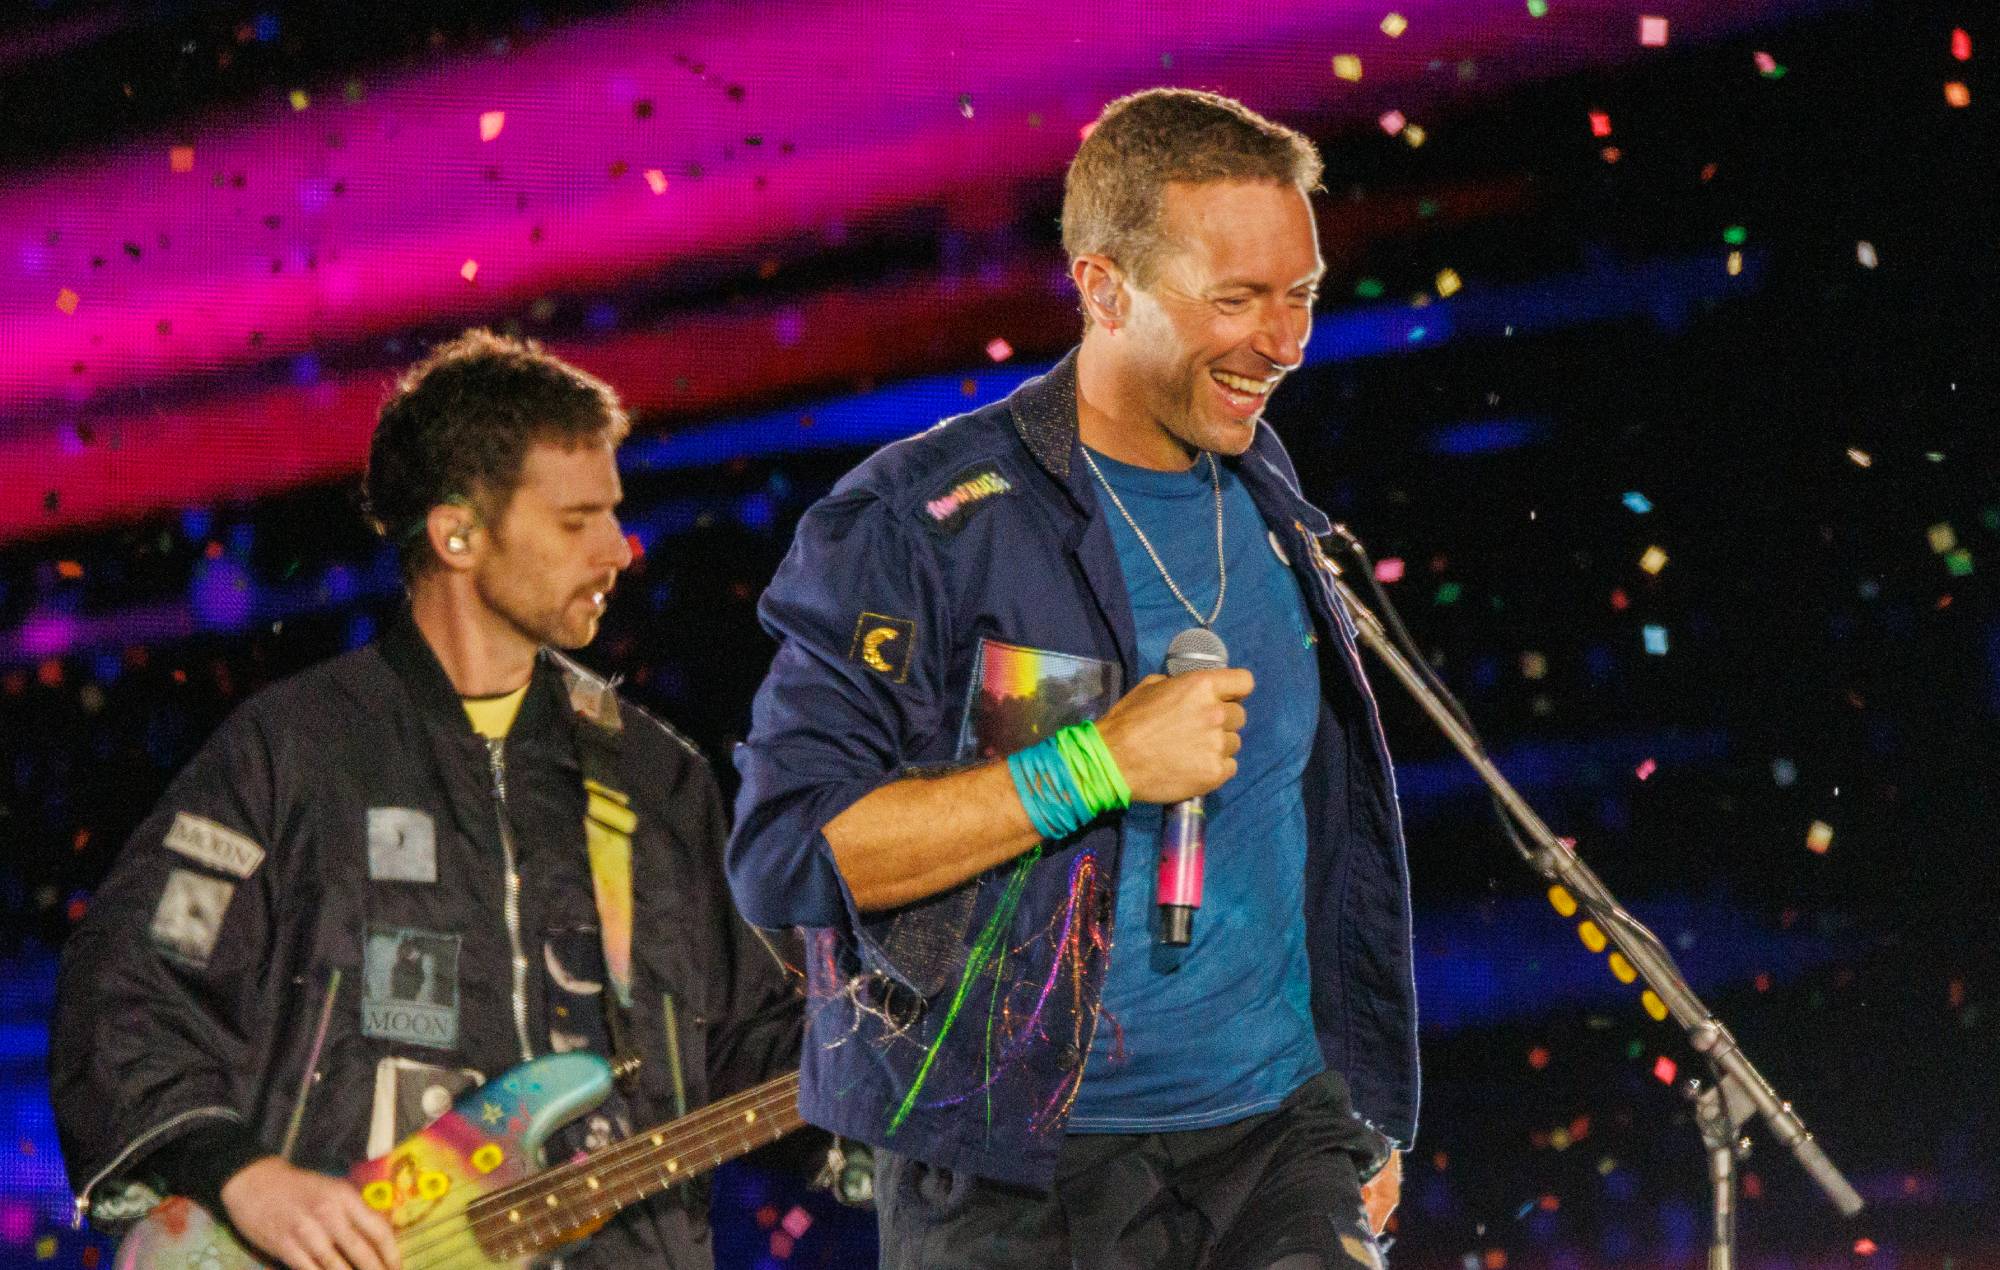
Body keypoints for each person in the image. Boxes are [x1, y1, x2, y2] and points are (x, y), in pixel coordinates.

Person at [727, 89, 1419, 1269]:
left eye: (1298, 294)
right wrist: (1090, 764)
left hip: (1275, 1139)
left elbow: (1308, 824)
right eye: (1235, 299)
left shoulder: (1263, 491)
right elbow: (787, 852)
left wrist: (1351, 1103)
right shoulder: (918, 523)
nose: (1284, 341)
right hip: (1018, 1174)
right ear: (1102, 288)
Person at [52, 330, 803, 1270]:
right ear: (456, 535)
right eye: (578, 521)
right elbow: (128, 986)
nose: (621, 547)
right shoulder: (296, 753)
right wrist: (244, 1175)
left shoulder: (657, 779)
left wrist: (919, 1056)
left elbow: (754, 1038)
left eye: (615, 513)